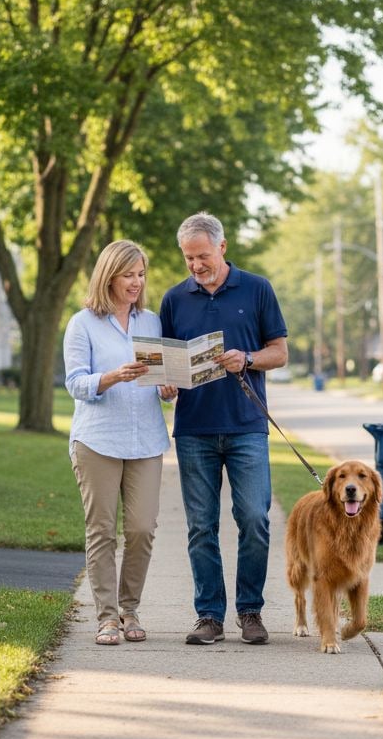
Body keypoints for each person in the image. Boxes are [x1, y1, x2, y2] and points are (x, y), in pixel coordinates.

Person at [159, 212, 289, 645]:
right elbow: (165, 362)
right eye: (188, 258)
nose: (195, 265)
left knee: (254, 518)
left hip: (247, 426)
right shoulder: (175, 300)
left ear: (222, 247)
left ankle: (250, 611)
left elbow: (280, 352)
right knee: (201, 526)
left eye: (202, 256)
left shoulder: (257, 289)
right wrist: (165, 384)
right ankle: (209, 615)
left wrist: (247, 359)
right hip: (194, 429)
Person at [64, 240, 177, 645]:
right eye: (128, 274)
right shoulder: (83, 323)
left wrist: (167, 389)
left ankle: (131, 609)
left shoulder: (151, 323)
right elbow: (75, 383)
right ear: (108, 275)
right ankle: (107, 617)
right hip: (98, 441)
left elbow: (159, 380)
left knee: (143, 528)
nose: (136, 282)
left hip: (146, 439)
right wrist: (113, 376)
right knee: (102, 531)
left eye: (141, 274)